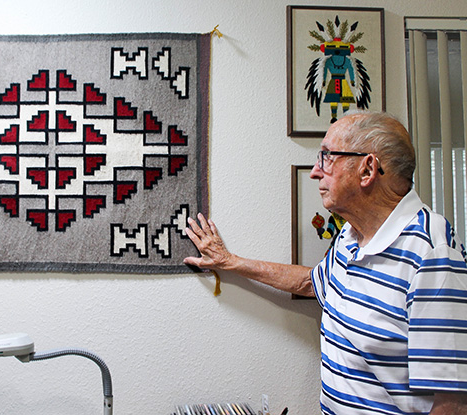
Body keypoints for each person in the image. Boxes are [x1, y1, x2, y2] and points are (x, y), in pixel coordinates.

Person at [184, 111, 467, 415]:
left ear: (367, 169)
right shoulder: (350, 235)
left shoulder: (433, 252)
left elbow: (452, 404)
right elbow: (311, 282)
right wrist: (230, 262)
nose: (315, 173)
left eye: (326, 157)